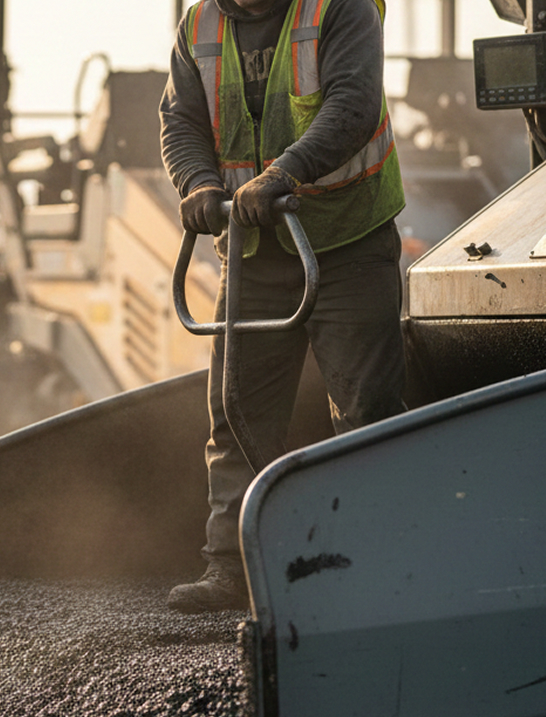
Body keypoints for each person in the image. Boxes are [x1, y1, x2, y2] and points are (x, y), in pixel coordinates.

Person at [160, 0, 408, 611]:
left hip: (347, 241)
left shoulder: (339, 9)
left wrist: (283, 175)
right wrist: (198, 183)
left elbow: (353, 105)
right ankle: (233, 569)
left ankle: (371, 571)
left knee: (365, 410)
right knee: (235, 408)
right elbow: (181, 123)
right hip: (255, 253)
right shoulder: (200, 26)